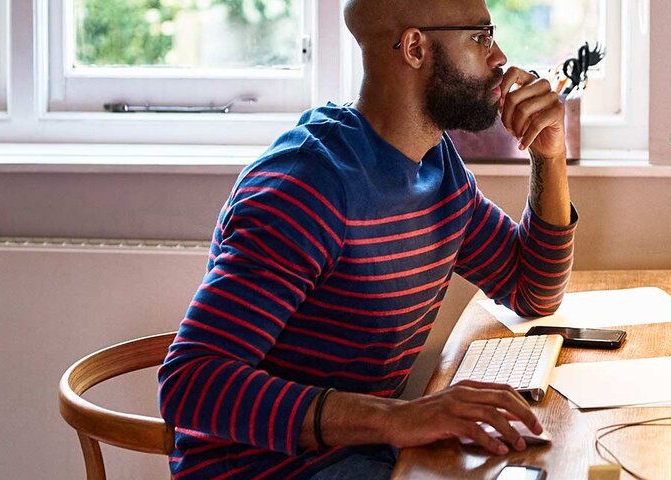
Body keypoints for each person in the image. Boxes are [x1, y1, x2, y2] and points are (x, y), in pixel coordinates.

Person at [156, 0, 576, 477]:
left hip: (364, 456)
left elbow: (531, 288)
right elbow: (189, 383)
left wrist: (549, 152)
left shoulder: (436, 165)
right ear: (415, 48)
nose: (499, 56)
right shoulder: (307, 187)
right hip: (270, 470)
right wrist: (396, 418)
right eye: (480, 36)